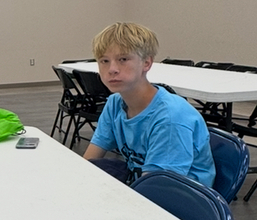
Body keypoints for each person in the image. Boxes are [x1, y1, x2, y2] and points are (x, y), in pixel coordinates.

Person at [83, 22, 216, 188]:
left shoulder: (170, 118)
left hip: (180, 201)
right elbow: (87, 164)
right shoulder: (115, 103)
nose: (112, 69)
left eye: (123, 59)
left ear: (146, 63)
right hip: (143, 183)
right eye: (104, 61)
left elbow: (158, 191)